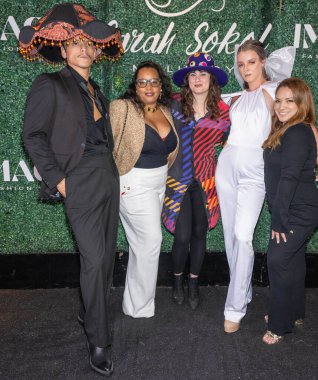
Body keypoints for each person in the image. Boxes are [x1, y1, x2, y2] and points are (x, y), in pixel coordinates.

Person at [20, 4, 123, 376]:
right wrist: (59, 180)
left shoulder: (96, 89)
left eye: (87, 43)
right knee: (94, 260)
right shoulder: (49, 83)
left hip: (107, 178)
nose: (82, 48)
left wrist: (115, 177)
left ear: (96, 50)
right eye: (74, 42)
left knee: (106, 259)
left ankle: (87, 309)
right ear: (63, 50)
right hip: (77, 179)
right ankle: (99, 340)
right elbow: (32, 135)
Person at [215, 40, 318, 334]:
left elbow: (304, 119)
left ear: (263, 62)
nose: (245, 68)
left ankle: (235, 308)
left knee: (242, 236)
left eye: (251, 62)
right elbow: (230, 133)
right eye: (240, 64)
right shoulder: (237, 98)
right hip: (227, 166)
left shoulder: (274, 93)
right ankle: (244, 291)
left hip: (255, 169)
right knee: (229, 237)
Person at [109, 61, 178, 318]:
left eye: (154, 82)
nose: (148, 87)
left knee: (142, 244)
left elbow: (169, 147)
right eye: (142, 82)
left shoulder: (164, 110)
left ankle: (134, 303)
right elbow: (108, 146)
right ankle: (140, 308)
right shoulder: (122, 108)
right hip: (133, 182)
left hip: (159, 182)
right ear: (135, 86)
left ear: (161, 86)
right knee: (151, 240)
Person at [162, 53, 231, 310]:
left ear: (211, 78)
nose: (198, 78)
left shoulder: (224, 112)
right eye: (193, 74)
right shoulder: (172, 105)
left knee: (200, 233)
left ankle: (193, 284)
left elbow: (231, 144)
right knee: (181, 237)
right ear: (186, 80)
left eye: (203, 74)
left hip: (206, 180)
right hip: (178, 178)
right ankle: (177, 282)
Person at [262, 78, 318, 344]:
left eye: (290, 101)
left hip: (298, 209)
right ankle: (294, 311)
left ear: (302, 104)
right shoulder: (288, 128)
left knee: (277, 260)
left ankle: (279, 324)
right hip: (295, 206)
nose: (282, 106)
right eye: (279, 100)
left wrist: (279, 220)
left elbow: (288, 178)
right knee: (294, 259)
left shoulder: (297, 132)